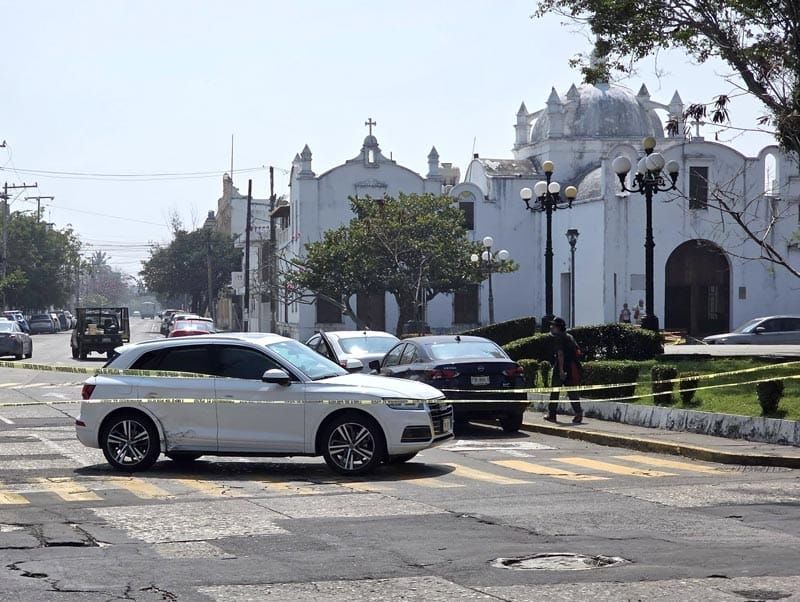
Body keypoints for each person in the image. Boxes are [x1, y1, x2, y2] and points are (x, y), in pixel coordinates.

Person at [545, 317, 583, 424]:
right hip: (572, 366)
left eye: (553, 325)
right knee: (572, 392)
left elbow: (560, 354)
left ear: (558, 327)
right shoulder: (569, 336)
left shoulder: (559, 338)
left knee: (555, 391)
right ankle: (578, 413)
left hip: (562, 367)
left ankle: (552, 415)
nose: (551, 327)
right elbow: (578, 351)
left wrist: (561, 370)